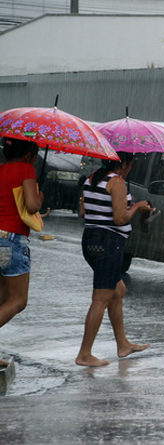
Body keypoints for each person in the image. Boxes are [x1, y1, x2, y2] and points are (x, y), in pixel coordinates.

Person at [76, 152, 152, 367]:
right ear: (125, 164)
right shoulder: (116, 182)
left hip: (90, 240)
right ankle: (84, 353)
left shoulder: (92, 178)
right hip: (109, 242)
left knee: (118, 290)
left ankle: (123, 344)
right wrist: (137, 207)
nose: (131, 169)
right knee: (101, 298)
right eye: (131, 164)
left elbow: (83, 211)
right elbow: (120, 219)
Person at [0, 138, 44, 367]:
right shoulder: (26, 169)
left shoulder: (2, 169)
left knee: (1, 301)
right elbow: (32, 206)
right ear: (29, 155)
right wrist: (38, 197)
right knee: (17, 301)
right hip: (11, 240)